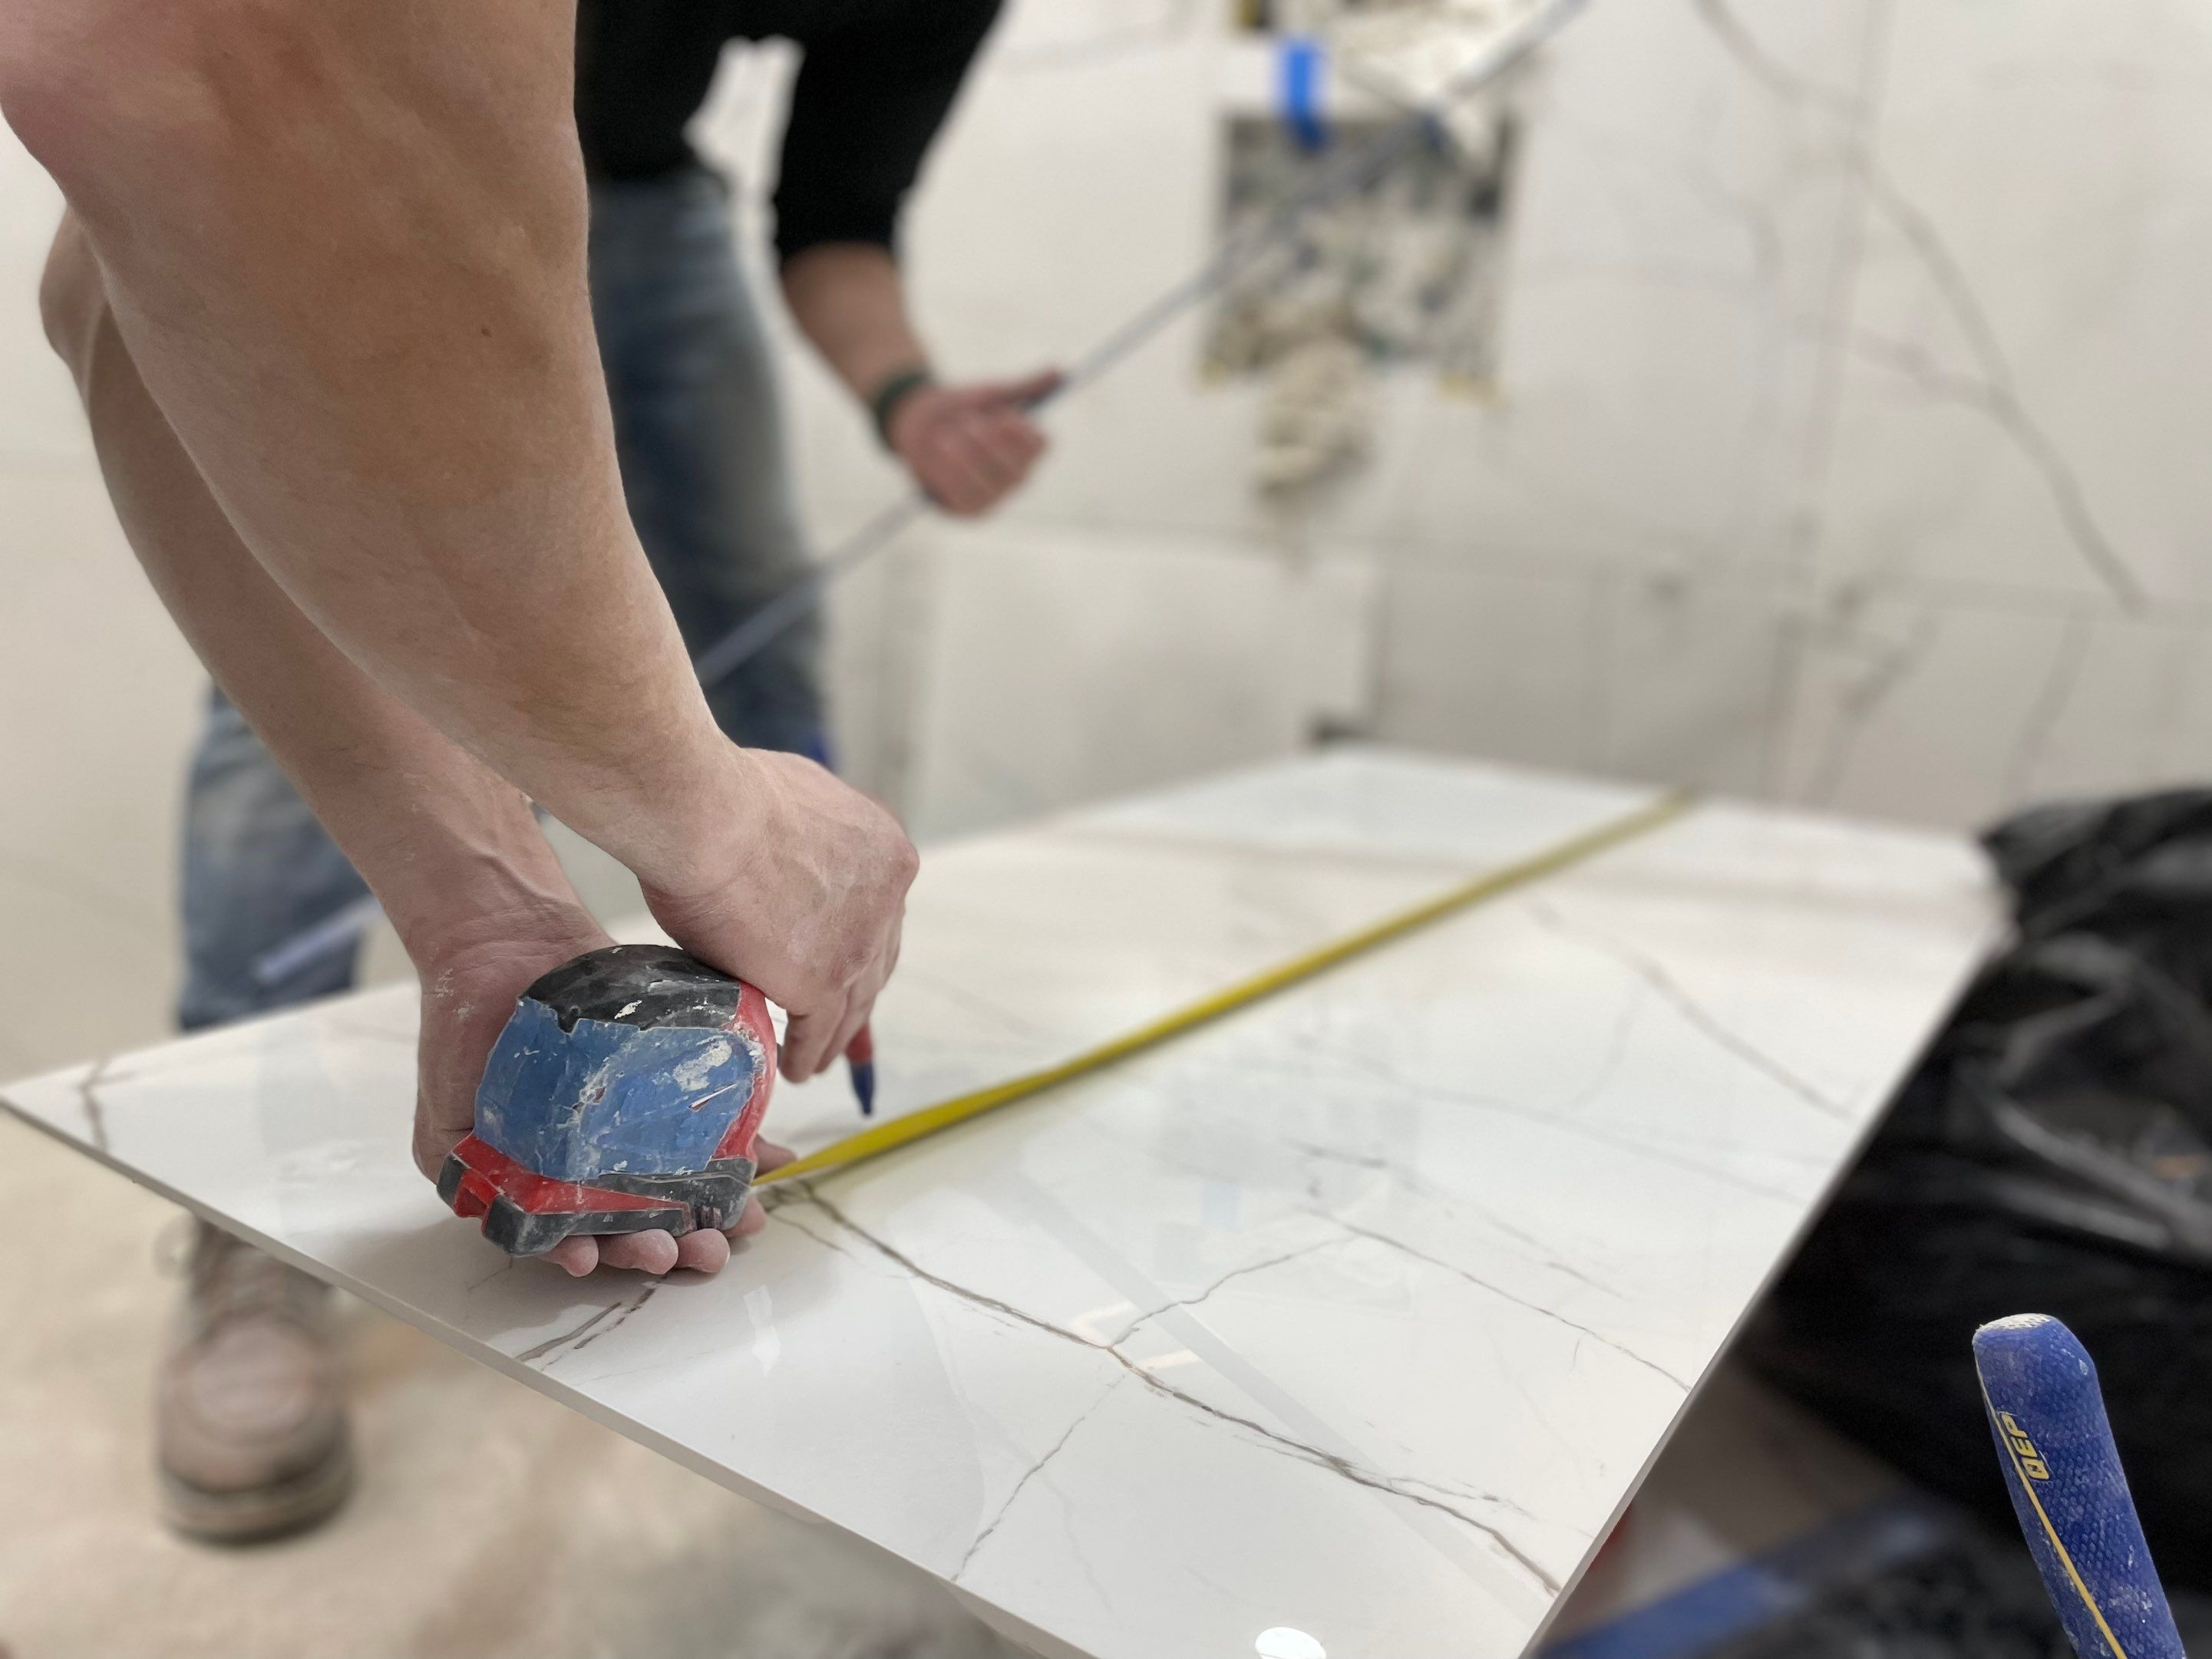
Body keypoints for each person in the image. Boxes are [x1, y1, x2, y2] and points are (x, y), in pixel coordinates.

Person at [2, 0, 1049, 1542]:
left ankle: (711, 1083)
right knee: (291, 702)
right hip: (418, 130)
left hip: (644, 196)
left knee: (761, 657)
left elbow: (839, 217)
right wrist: (711, 819)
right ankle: (250, 1245)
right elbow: (183, 102)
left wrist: (904, 394)